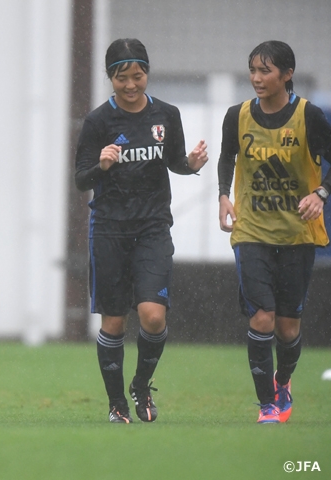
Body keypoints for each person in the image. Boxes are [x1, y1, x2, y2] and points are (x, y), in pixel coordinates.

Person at [75, 38, 208, 424]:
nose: (131, 85)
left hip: (152, 228)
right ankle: (116, 404)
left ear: (147, 73)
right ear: (110, 78)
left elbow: (175, 162)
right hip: (109, 232)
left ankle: (141, 384)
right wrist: (101, 164)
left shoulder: (166, 114)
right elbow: (81, 180)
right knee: (114, 321)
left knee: (152, 316)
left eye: (138, 76)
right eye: (122, 78)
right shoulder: (98, 122)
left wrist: (191, 163)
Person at [218, 40, 331, 424]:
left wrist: (321, 193)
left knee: (287, 326)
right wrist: (222, 196)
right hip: (251, 231)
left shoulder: (309, 116)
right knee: (263, 317)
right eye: (252, 70)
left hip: (298, 235)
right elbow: (226, 156)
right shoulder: (237, 115)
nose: (256, 78)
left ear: (287, 74)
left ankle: (283, 381)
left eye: (265, 71)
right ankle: (267, 404)